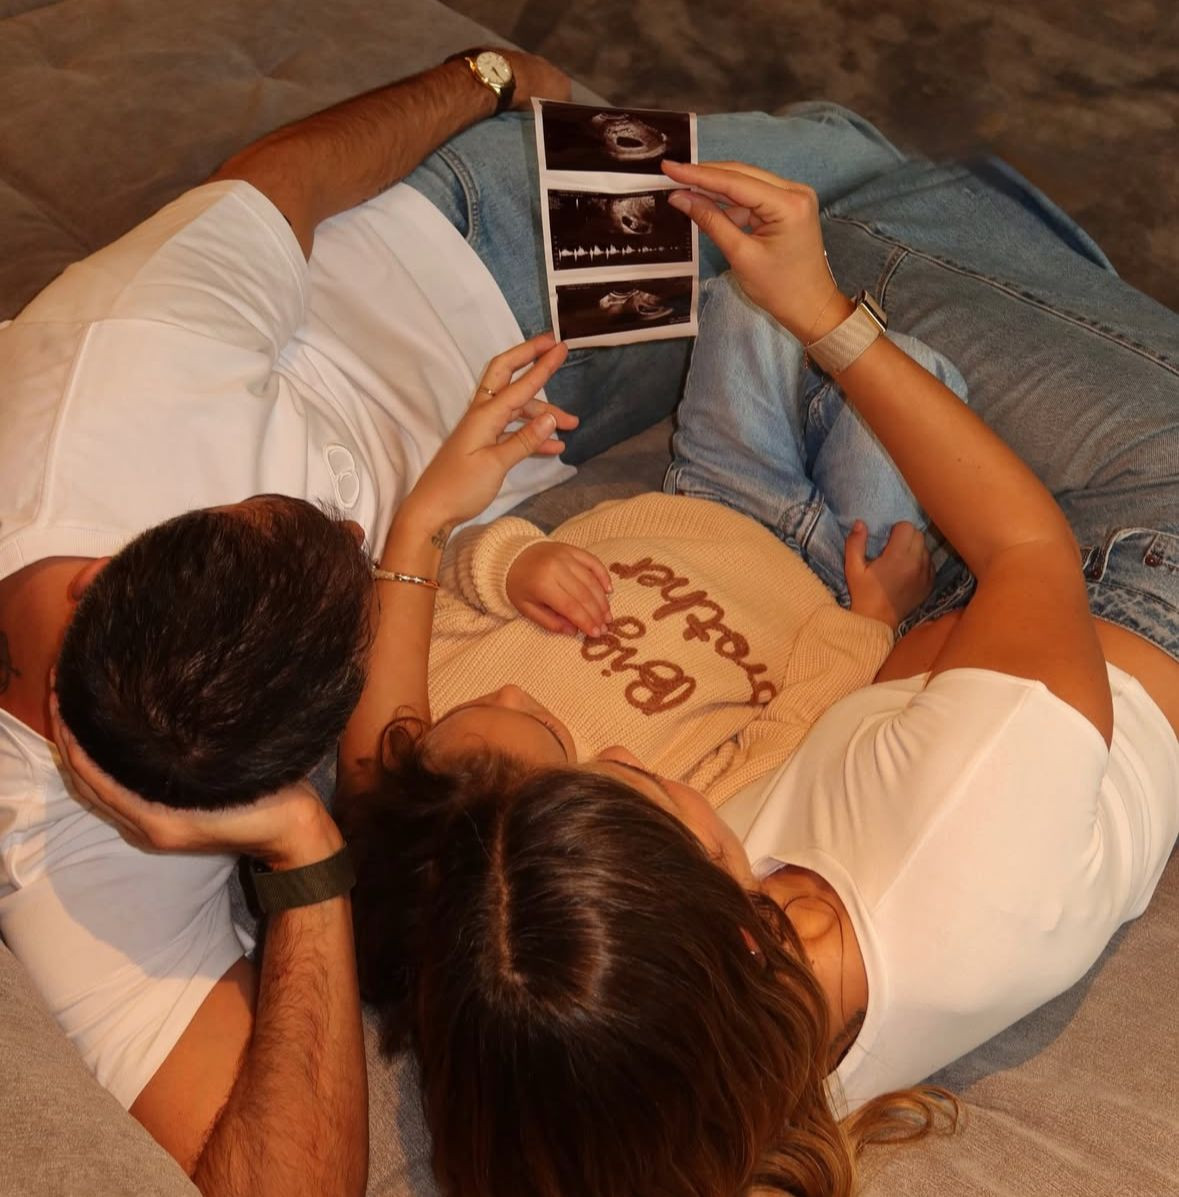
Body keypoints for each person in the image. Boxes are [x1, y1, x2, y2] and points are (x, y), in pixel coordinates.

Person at [344, 160, 1179, 1197]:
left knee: (784, 260)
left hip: (952, 651)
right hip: (1128, 574)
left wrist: (423, 528)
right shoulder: (957, 848)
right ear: (738, 926)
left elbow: (398, 801)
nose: (618, 748)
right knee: (854, 228)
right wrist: (822, 312)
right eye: (643, 790)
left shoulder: (638, 1049)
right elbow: (1025, 548)